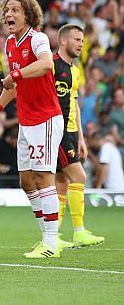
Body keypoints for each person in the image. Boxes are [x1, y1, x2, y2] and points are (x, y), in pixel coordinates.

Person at [0, 0, 64, 258]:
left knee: (43, 177)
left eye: (15, 10)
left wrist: (15, 73)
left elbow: (46, 64)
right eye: (7, 10)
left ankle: (52, 242)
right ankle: (46, 237)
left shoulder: (37, 38)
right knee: (26, 181)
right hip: (27, 121)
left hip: (46, 118)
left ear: (28, 15)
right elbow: (15, 84)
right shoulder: (9, 43)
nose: (9, 14)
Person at [53, 24, 104, 249]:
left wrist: (81, 137)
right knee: (79, 177)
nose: (81, 44)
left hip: (72, 132)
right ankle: (79, 232)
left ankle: (53, 235)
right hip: (58, 130)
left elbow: (75, 103)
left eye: (82, 41)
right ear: (63, 41)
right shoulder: (52, 65)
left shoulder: (75, 70)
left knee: (62, 183)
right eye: (77, 40)